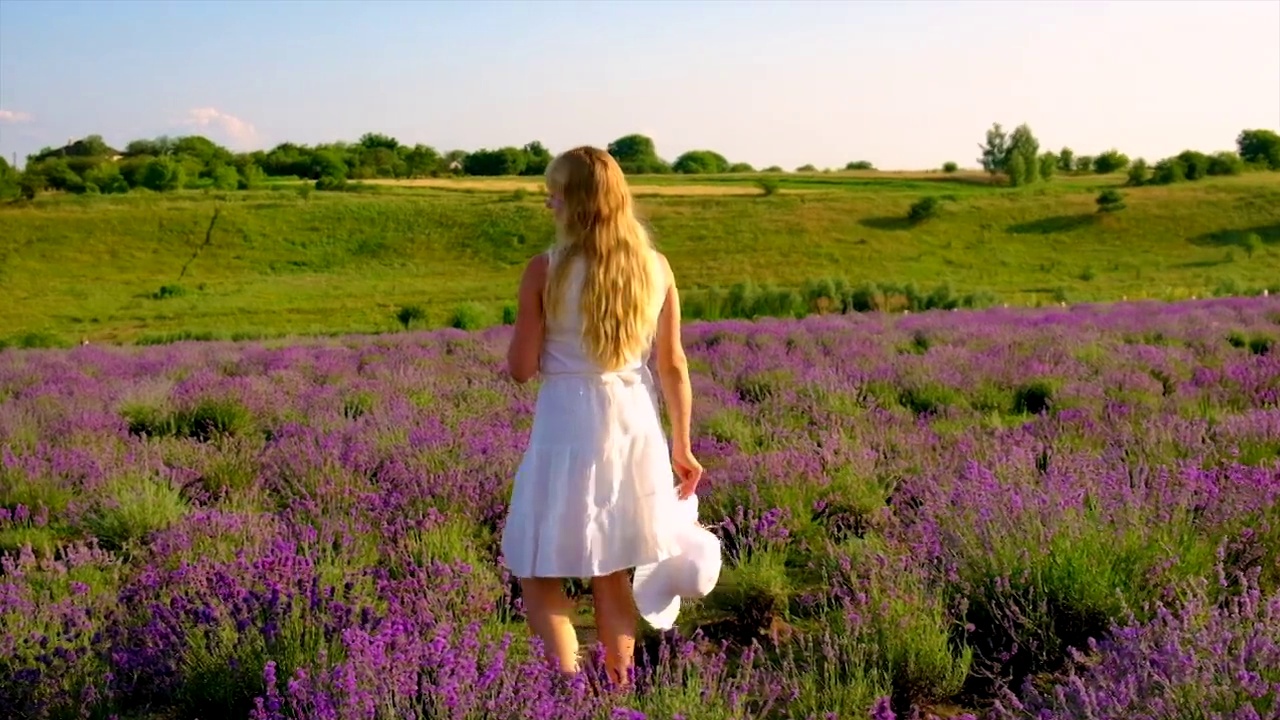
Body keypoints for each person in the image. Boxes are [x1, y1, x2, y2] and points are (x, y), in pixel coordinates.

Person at [499, 145, 703, 686]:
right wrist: (682, 446)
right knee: (610, 571)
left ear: (575, 202)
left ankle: (567, 689)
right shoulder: (655, 268)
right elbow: (674, 365)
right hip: (634, 422)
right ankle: (615, 693)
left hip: (568, 424)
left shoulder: (545, 269)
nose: (548, 202)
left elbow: (521, 368)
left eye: (555, 192)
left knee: (538, 570)